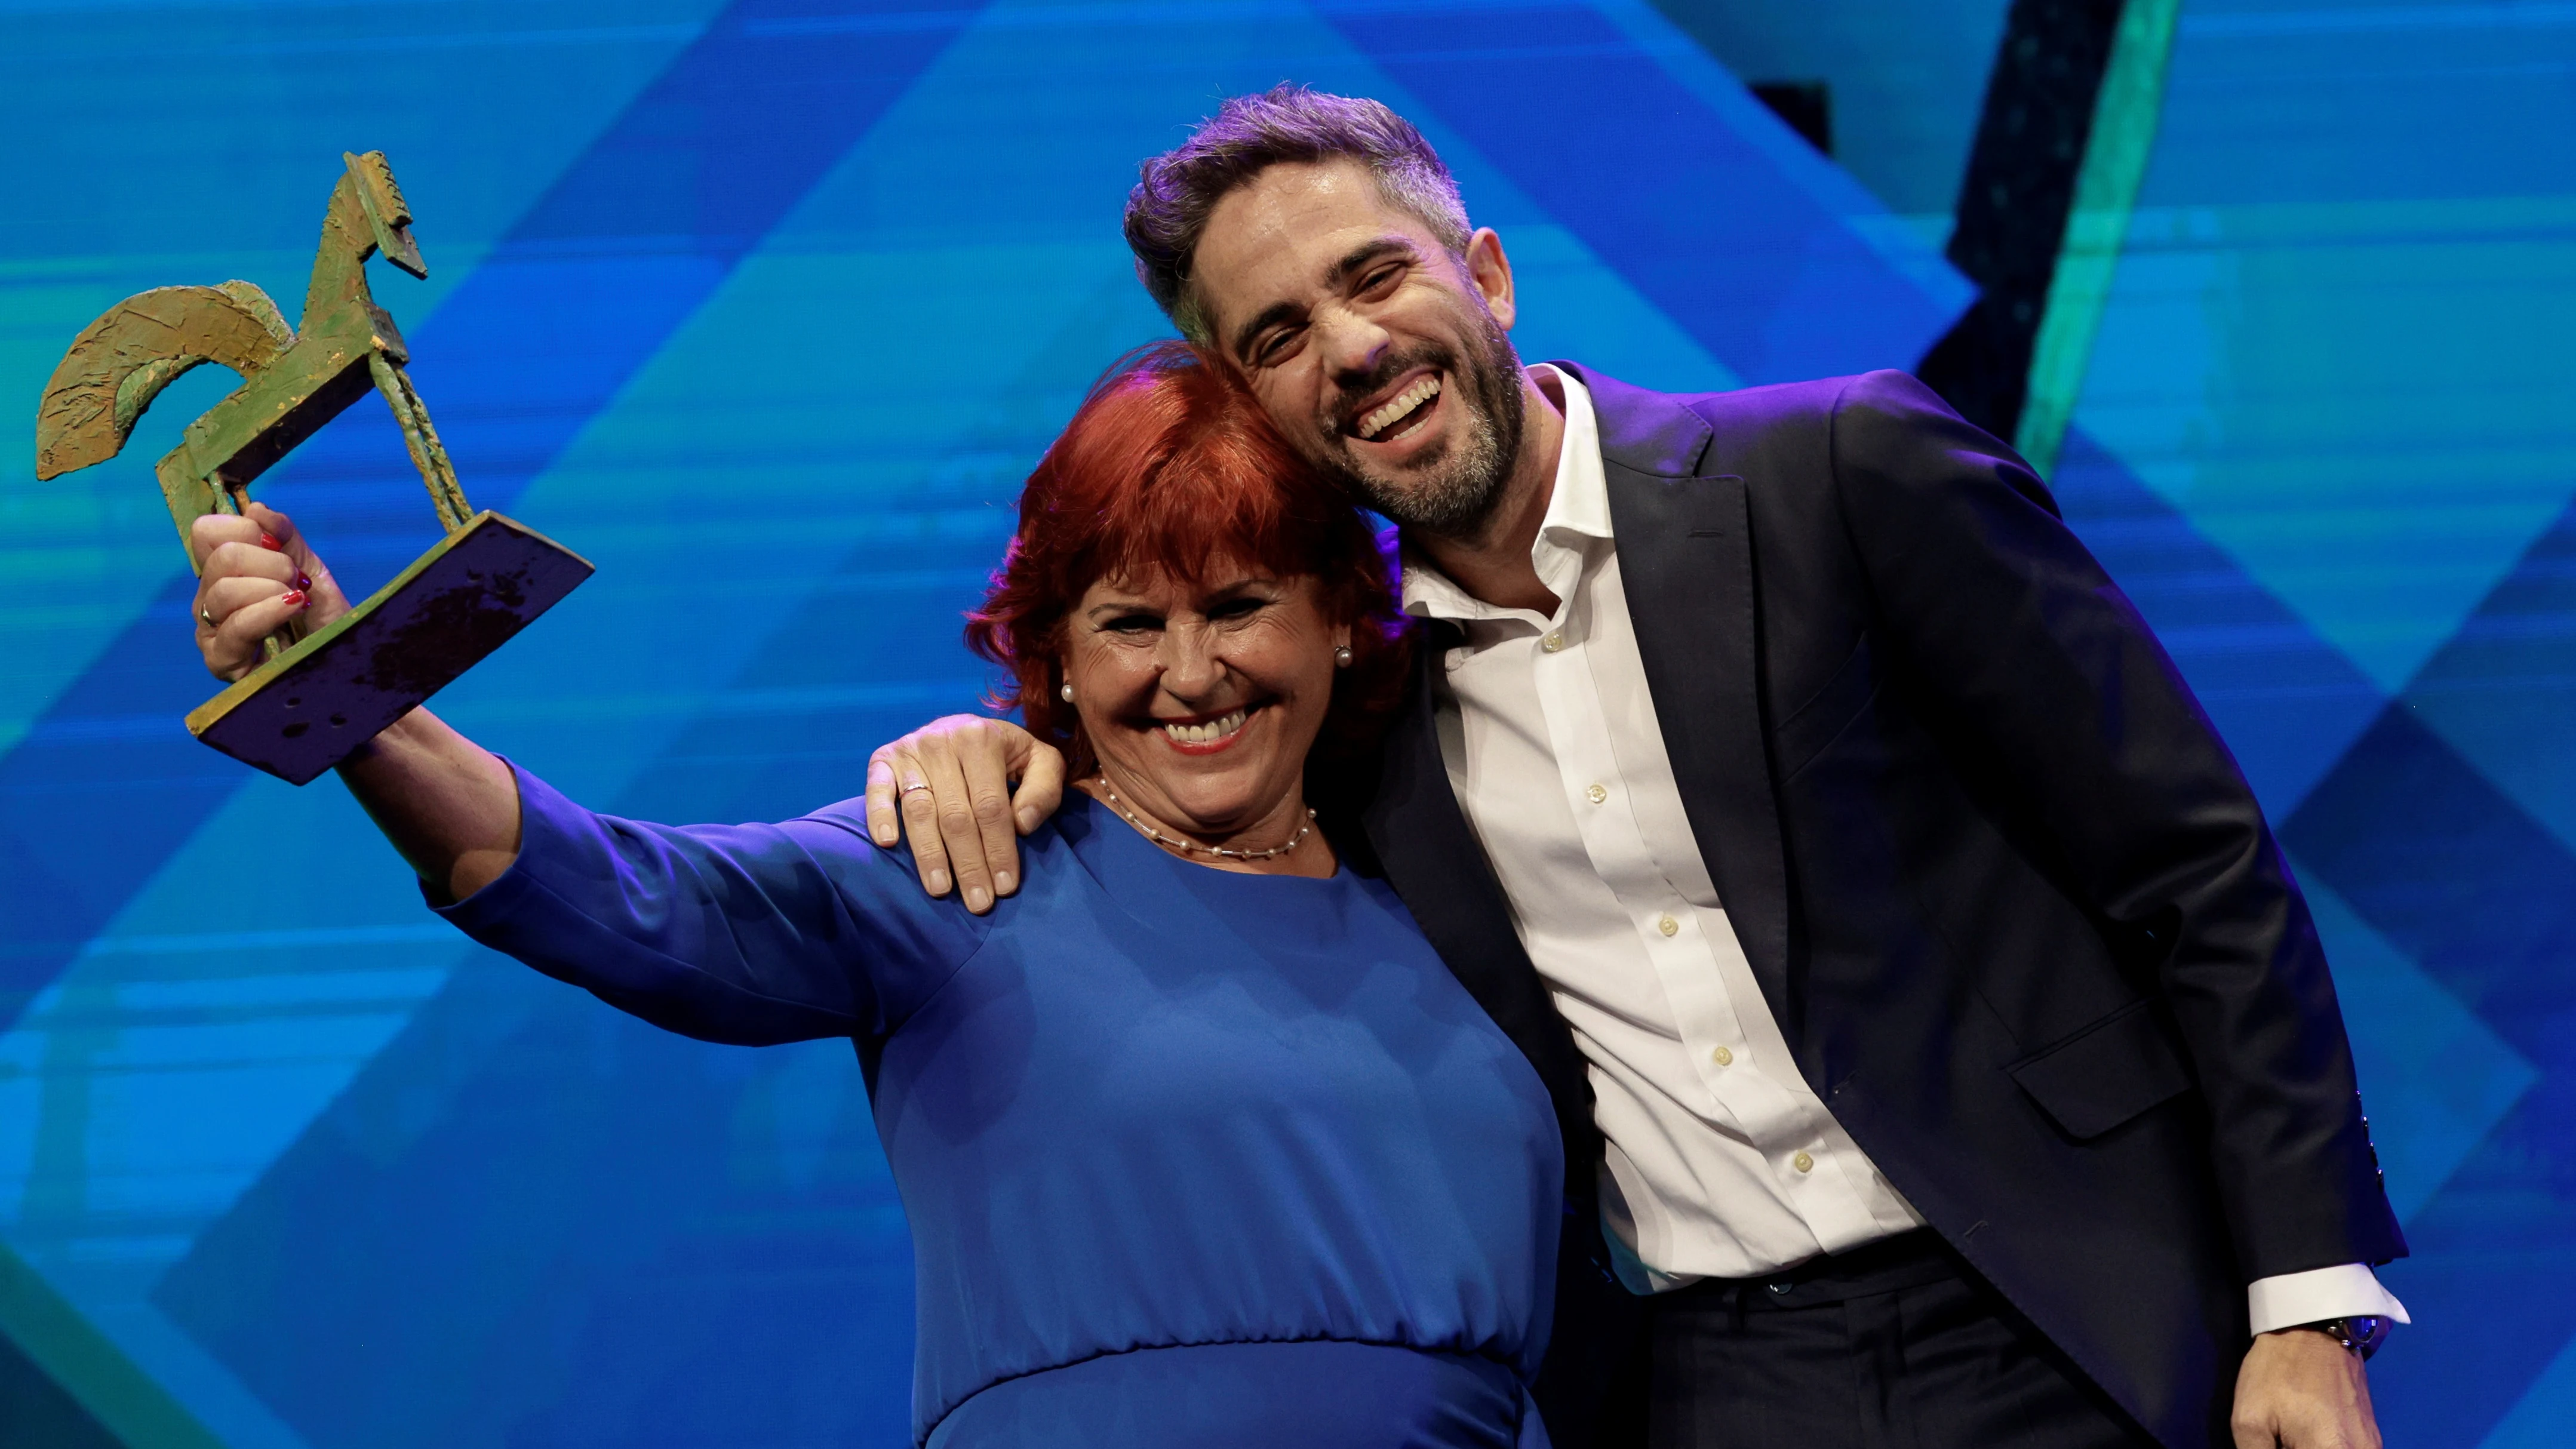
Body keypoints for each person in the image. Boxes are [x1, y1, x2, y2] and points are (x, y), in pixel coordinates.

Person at [866, 88, 2406, 1449]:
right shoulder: (1356, 703)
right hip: (1711, 1379)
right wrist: (995, 745)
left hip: (2078, 1302)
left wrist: (2305, 1301)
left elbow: (2195, 873)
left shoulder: (1848, 473)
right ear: (1244, 410)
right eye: (1276, 338)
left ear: (1484, 272)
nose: (1351, 349)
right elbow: (1177, 756)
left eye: (1375, 274)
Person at [185, 343, 1565, 1449]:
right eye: (1132, 623)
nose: (1193, 673)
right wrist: (355, 696)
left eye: (1241, 606)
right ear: (1060, 660)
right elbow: (621, 893)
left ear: (1340, 614)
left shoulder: (1464, 892)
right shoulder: (969, 860)